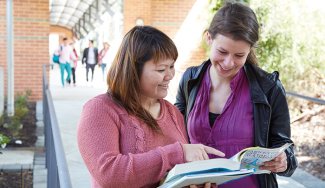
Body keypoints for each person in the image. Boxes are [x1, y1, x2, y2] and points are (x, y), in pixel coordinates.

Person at [77, 25, 225, 188]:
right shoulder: (100, 109)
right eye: (161, 69)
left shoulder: (173, 113)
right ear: (133, 70)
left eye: (171, 66)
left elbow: (173, 176)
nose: (169, 75)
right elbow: (110, 174)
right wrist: (178, 153)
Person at [175, 2, 297, 188]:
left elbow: (285, 148)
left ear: (249, 51)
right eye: (222, 52)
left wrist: (284, 161)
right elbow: (175, 137)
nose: (228, 63)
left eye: (239, 55)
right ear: (209, 38)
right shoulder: (190, 80)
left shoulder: (269, 88)